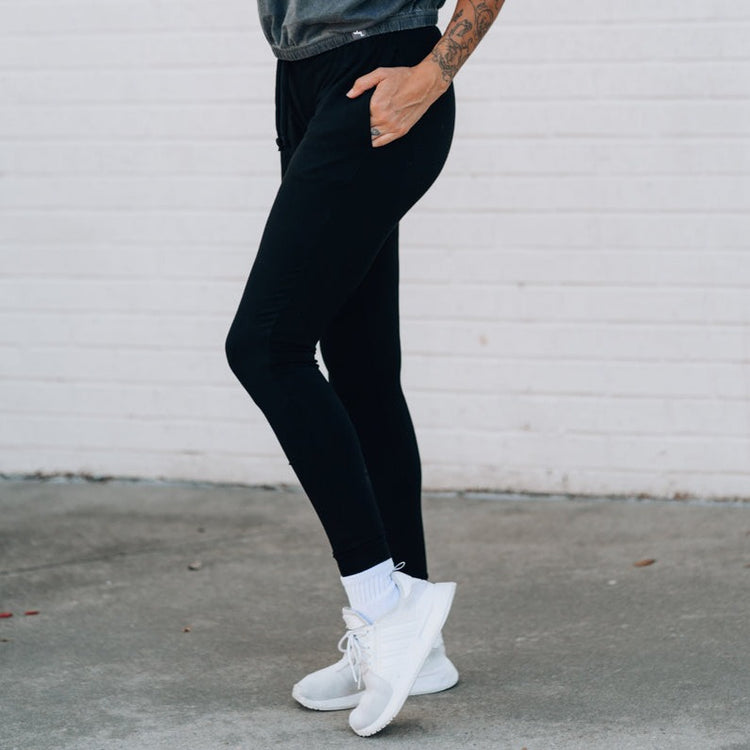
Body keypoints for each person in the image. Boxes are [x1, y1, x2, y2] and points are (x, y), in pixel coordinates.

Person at [225, 0, 507, 737]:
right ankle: (422, 650)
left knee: (265, 346)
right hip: (303, 78)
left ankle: (388, 605)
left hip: (378, 73)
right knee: (361, 368)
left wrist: (433, 75)